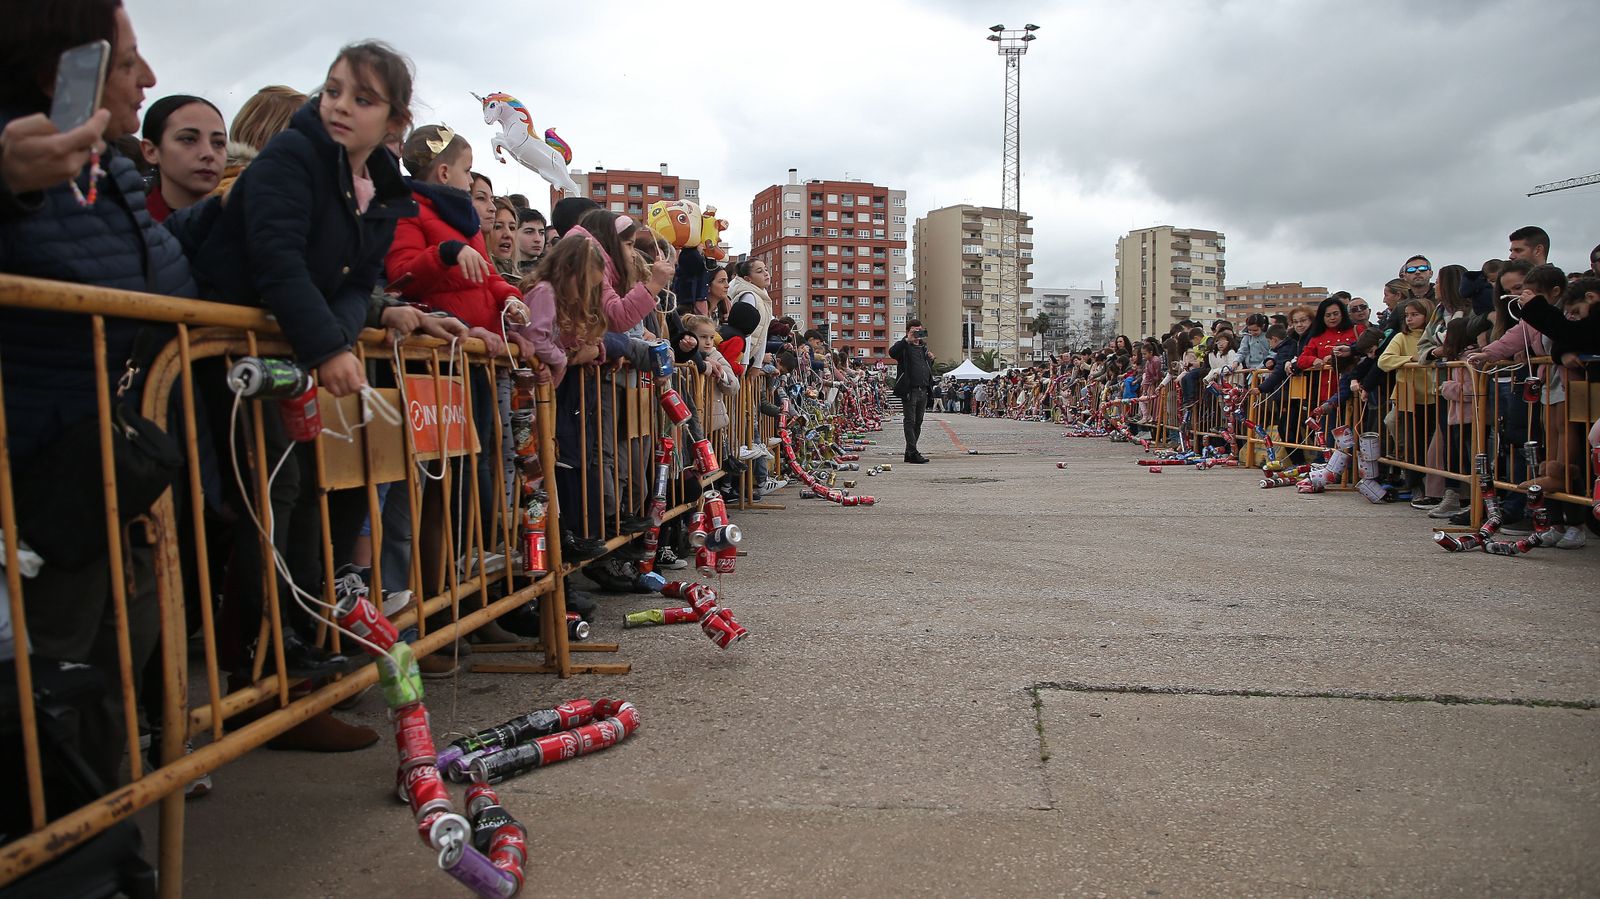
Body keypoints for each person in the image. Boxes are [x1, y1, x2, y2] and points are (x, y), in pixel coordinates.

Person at [185, 40, 422, 747]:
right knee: (268, 507)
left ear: (395, 120)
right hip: (240, 354)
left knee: (305, 500)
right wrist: (326, 347)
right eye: (334, 90)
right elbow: (276, 259)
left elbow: (355, 283)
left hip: (299, 350)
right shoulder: (292, 158)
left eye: (363, 98)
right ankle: (266, 674)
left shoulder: (379, 188)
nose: (342, 106)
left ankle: (299, 660)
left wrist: (337, 342)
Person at [1, 0, 197, 808]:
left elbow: (183, 282)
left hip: (114, 464)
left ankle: (107, 833)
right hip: (39, 481)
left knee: (127, 644)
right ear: (61, 67)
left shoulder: (109, 167)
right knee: (47, 672)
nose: (146, 78)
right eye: (126, 62)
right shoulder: (25, 155)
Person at [138, 94, 225, 221]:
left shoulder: (244, 224)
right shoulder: (127, 227)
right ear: (151, 151)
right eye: (188, 139)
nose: (208, 153)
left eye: (218, 143)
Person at [889, 319, 933, 463]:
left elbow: (924, 367)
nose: (917, 334)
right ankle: (913, 452)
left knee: (918, 422)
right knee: (910, 421)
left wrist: (931, 360)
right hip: (910, 389)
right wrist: (907, 340)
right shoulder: (903, 346)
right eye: (915, 331)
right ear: (908, 331)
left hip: (923, 389)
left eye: (920, 331)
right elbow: (892, 352)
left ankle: (909, 452)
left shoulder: (923, 348)